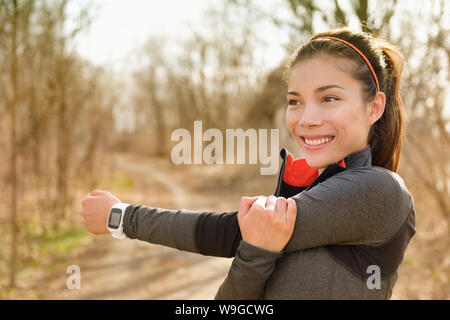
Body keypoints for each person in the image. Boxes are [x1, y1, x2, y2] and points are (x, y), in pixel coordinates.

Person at [80, 27, 416, 299]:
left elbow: (229, 233)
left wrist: (122, 218)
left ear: (374, 107)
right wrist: (256, 255)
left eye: (329, 98)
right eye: (295, 101)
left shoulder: (378, 190)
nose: (306, 118)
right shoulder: (312, 188)